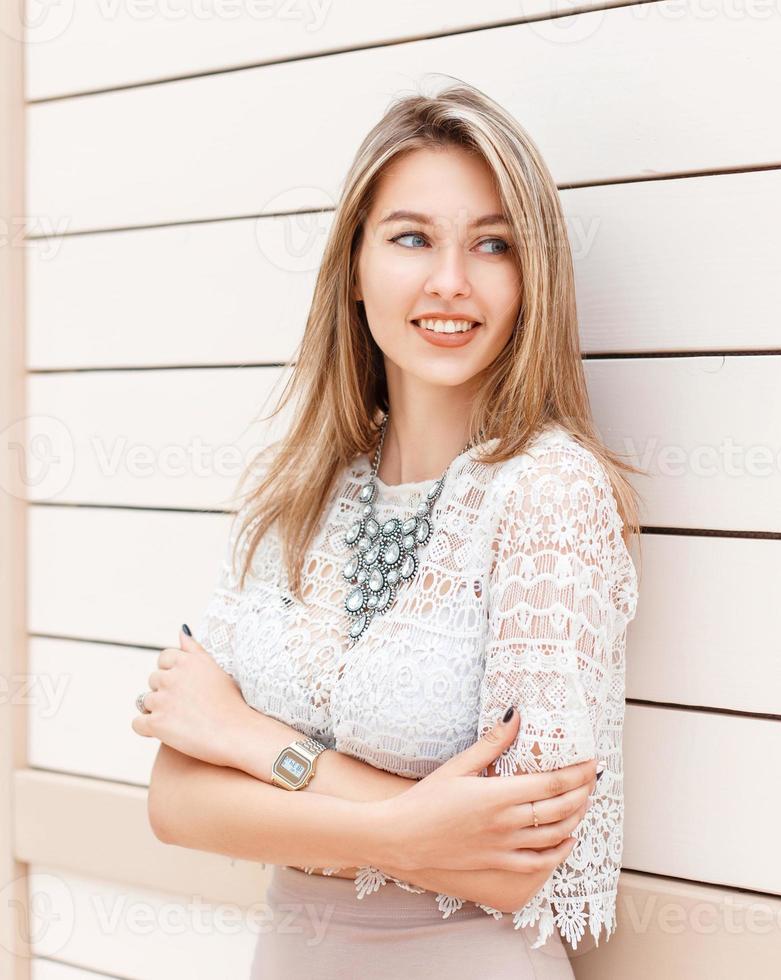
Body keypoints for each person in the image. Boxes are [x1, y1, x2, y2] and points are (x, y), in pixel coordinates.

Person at [132, 77, 643, 979]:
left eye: (493, 245)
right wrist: (406, 828)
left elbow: (512, 859)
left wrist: (252, 742)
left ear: (533, 280)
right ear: (356, 268)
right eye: (412, 238)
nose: (451, 281)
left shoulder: (548, 492)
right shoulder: (294, 492)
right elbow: (176, 800)